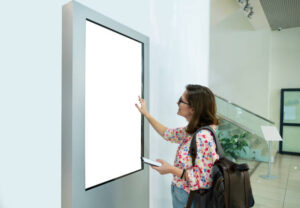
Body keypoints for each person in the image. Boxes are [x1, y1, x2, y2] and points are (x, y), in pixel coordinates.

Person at [135, 84, 220, 208]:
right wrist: (147, 114)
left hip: (190, 198)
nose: (177, 102)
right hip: (183, 194)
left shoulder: (203, 137)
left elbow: (203, 179)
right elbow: (168, 133)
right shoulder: (192, 130)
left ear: (193, 108)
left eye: (181, 101)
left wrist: (170, 169)